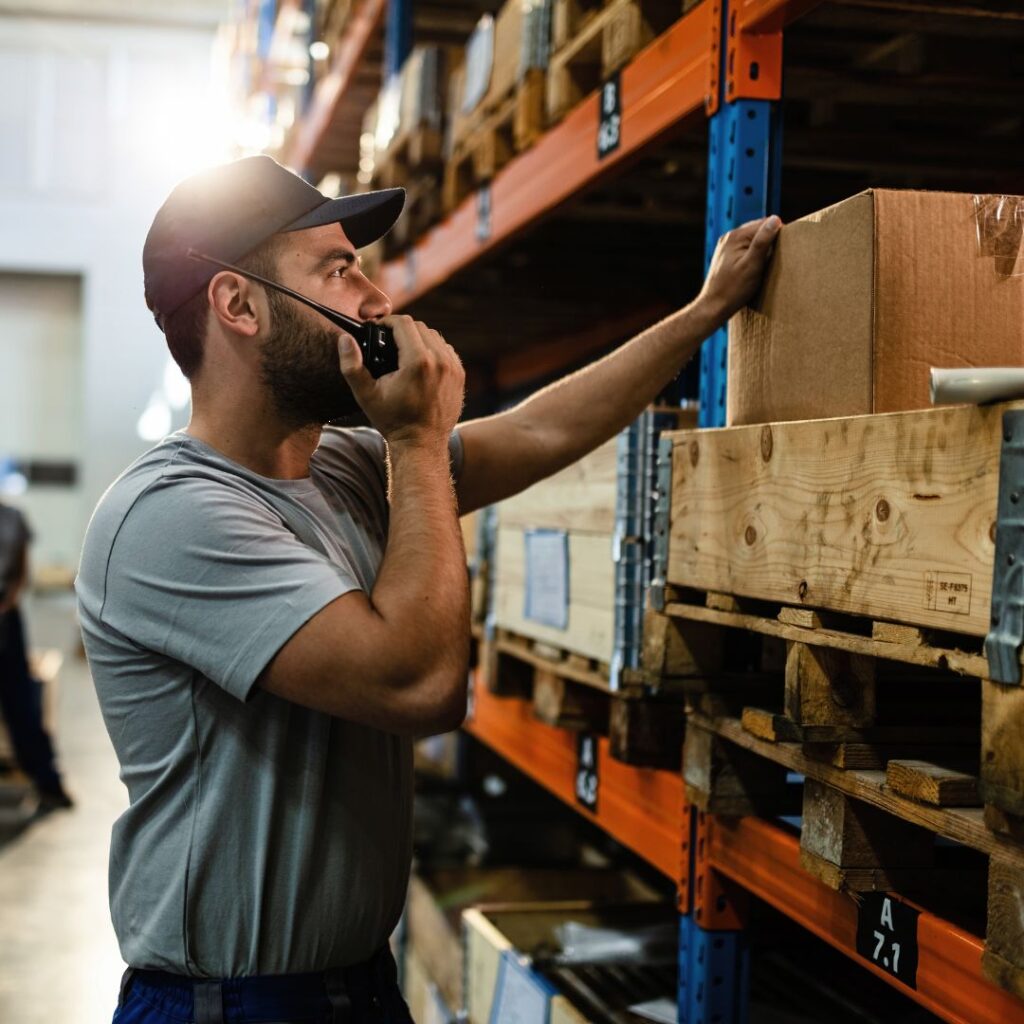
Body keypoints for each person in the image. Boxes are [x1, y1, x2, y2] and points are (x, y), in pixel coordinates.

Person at [76, 156, 779, 1023]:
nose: (375, 297)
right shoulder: (169, 516)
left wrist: (704, 314)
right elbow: (418, 683)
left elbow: (539, 428)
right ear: (239, 305)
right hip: (227, 1007)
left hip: (359, 989)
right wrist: (414, 440)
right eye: (337, 268)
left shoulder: (339, 467)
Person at [0, 501, 73, 813]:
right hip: (6, 615)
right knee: (21, 705)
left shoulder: (13, 517)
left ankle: (49, 783)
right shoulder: (13, 517)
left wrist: (6, 607)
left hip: (5, 618)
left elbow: (21, 573)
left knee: (21, 705)